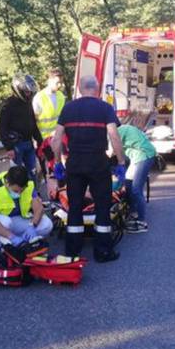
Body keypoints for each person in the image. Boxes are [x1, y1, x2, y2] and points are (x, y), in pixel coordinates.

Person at [52, 75, 126, 263]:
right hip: (98, 163)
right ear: (97, 88)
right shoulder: (105, 108)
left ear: (79, 87)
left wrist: (57, 162)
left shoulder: (68, 108)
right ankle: (103, 252)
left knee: (74, 206)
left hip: (75, 163)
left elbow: (56, 139)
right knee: (102, 206)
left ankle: (72, 251)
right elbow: (114, 137)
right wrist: (120, 162)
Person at [0, 166, 52, 246]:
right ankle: (5, 241)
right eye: (16, 191)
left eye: (22, 191)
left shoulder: (28, 184)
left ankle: (21, 241)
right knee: (6, 222)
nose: (19, 194)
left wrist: (32, 225)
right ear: (7, 183)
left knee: (47, 224)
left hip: (17, 219)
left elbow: (39, 208)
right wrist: (11, 236)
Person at [0, 73, 43, 181]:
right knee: (17, 175)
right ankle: (17, 196)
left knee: (32, 172)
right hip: (16, 145)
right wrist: (9, 147)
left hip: (29, 143)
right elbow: (2, 128)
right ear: (19, 89)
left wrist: (40, 141)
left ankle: (33, 194)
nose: (28, 95)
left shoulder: (27, 104)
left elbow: (33, 124)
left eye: (30, 92)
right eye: (27, 92)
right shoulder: (8, 105)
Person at [117, 124, 156, 233]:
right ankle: (133, 212)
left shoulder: (118, 131)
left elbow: (110, 152)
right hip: (137, 157)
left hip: (144, 156)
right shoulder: (122, 129)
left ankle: (142, 223)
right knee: (128, 184)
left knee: (136, 189)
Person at [33, 68, 66, 139]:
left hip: (59, 137)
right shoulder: (39, 98)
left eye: (61, 82)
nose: (60, 85)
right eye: (57, 82)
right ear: (49, 81)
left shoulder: (61, 96)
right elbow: (33, 121)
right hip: (44, 139)